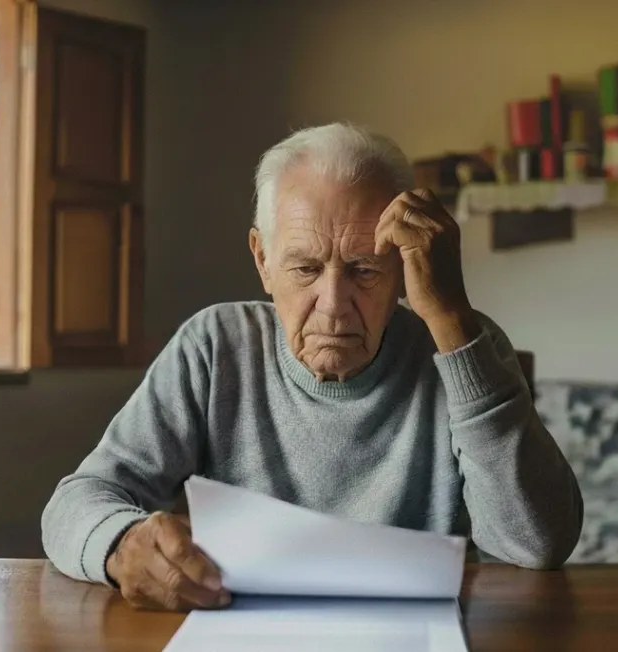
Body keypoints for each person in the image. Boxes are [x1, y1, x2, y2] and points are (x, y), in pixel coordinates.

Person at [42, 123, 583, 611]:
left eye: (364, 270)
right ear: (262, 261)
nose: (332, 302)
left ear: (401, 266)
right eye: (304, 267)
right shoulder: (214, 348)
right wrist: (119, 545)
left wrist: (450, 320)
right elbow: (76, 502)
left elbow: (538, 545)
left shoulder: (462, 345)